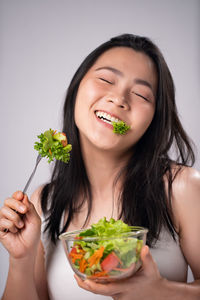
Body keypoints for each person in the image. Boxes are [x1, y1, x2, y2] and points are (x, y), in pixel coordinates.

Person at [0, 33, 200, 300]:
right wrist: (21, 259)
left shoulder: (181, 187)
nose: (119, 99)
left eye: (141, 94)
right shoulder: (43, 202)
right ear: (77, 88)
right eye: (106, 80)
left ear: (155, 118)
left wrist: (161, 291)